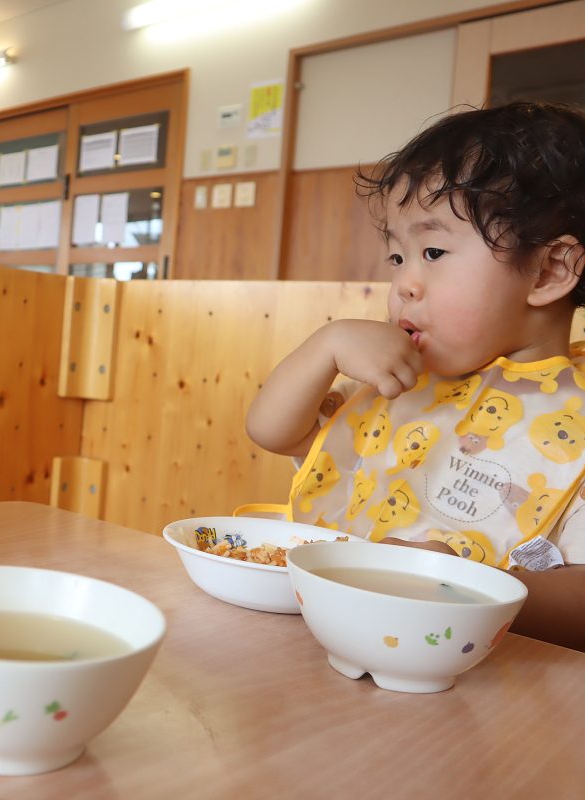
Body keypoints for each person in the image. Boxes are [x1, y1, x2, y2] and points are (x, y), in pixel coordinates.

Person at [246, 102, 585, 651]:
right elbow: (273, 431)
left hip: (484, 681)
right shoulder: (404, 379)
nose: (404, 284)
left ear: (549, 271)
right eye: (397, 258)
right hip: (334, 643)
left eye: (432, 251)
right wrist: (324, 346)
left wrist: (466, 586)